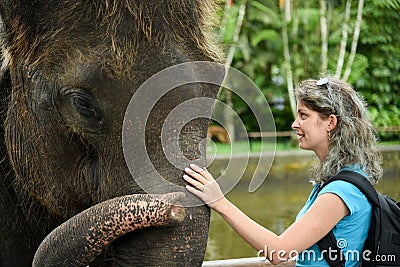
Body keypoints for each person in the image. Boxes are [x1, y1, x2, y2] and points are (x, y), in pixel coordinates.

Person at [183, 76, 383, 266]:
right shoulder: (341, 179)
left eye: (303, 115)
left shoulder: (341, 191)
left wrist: (219, 203)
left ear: (331, 122)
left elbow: (280, 252)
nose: (295, 124)